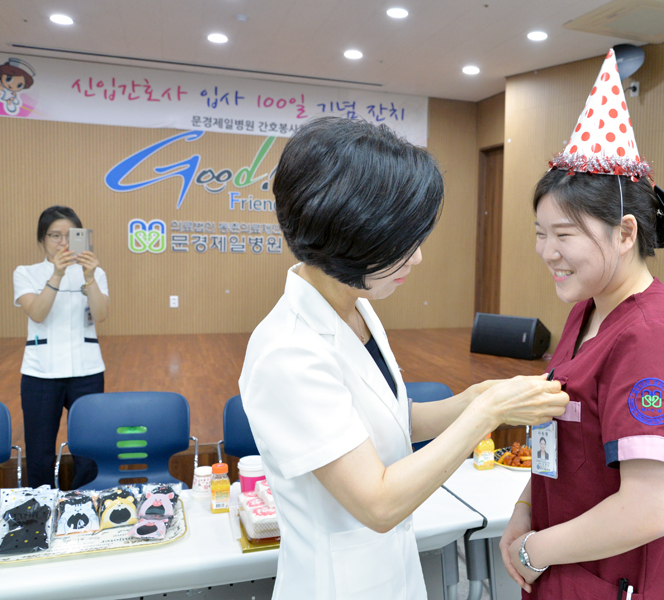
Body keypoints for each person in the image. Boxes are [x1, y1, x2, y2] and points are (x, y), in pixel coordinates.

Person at [238, 117, 569, 600]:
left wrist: (475, 397)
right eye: (402, 242)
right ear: (348, 234)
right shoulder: (288, 351)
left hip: (392, 572)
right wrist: (485, 413)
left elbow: (390, 423)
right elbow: (378, 503)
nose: (416, 259)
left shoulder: (356, 307)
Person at [498, 49, 664, 599]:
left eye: (564, 235)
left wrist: (534, 551)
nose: (547, 252)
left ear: (625, 233)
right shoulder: (587, 310)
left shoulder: (652, 337)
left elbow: (647, 510)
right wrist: (525, 508)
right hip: (564, 569)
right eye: (540, 233)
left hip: (616, 583)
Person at [13, 206, 109, 488]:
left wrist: (89, 278)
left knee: (89, 448)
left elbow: (101, 314)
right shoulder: (26, 273)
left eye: (71, 235)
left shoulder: (95, 273)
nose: (63, 243)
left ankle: (87, 501)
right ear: (42, 239)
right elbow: (37, 313)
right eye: (55, 236)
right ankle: (41, 504)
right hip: (41, 373)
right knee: (39, 449)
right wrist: (56, 275)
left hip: (87, 371)